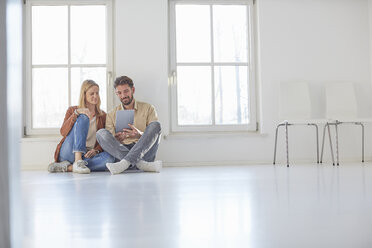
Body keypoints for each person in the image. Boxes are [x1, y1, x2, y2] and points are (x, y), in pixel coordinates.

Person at [96, 76, 162, 175]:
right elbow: (110, 141)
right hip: (121, 150)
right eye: (119, 93)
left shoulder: (148, 108)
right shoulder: (111, 114)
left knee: (156, 125)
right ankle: (141, 164)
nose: (123, 95)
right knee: (100, 133)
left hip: (144, 152)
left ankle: (127, 163)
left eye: (126, 91)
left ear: (133, 90)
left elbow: (153, 135)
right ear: (116, 94)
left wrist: (139, 135)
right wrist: (118, 139)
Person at [48, 79, 115, 174]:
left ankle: (69, 167)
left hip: (87, 156)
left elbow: (103, 138)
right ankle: (78, 161)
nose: (95, 96)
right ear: (84, 95)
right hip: (69, 152)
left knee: (110, 159)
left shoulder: (102, 115)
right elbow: (63, 132)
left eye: (97, 93)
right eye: (92, 94)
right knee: (83, 117)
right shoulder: (73, 110)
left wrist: (96, 150)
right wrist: (77, 113)